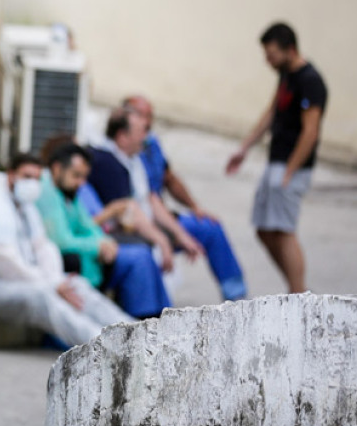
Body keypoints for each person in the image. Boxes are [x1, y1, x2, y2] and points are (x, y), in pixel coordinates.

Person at [0, 154, 133, 347]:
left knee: (75, 284)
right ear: (11, 175)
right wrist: (52, 285)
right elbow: (8, 267)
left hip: (15, 282)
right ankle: (106, 348)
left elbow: (43, 248)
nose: (32, 183)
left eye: (36, 179)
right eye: (26, 176)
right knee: (42, 297)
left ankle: (134, 333)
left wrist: (58, 281)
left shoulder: (26, 208)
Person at [226, 23, 327, 294]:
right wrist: (244, 148)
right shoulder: (286, 75)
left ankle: (298, 295)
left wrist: (290, 171)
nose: (267, 60)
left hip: (292, 168)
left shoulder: (310, 82)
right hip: (276, 163)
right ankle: (299, 289)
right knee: (264, 229)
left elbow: (311, 131)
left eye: (271, 54)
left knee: (283, 230)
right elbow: (272, 112)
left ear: (290, 50)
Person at [125, 96, 247, 301]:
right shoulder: (124, 149)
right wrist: (175, 234)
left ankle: (237, 300)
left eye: (149, 116)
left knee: (211, 228)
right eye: (139, 116)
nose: (145, 122)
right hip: (141, 222)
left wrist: (195, 207)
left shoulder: (151, 142)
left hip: (163, 216)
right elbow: (144, 201)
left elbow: (168, 179)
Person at [37, 143, 171, 319]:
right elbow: (60, 240)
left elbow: (87, 225)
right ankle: (143, 322)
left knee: (141, 254)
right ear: (56, 168)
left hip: (91, 258)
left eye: (83, 177)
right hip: (70, 262)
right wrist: (98, 246)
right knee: (137, 259)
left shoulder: (67, 190)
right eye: (76, 176)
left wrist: (105, 243)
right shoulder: (47, 192)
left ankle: (159, 318)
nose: (81, 183)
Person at [86, 108, 205, 274]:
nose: (146, 138)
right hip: (120, 232)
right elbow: (127, 213)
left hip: (144, 224)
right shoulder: (107, 163)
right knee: (144, 254)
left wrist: (181, 235)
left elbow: (150, 199)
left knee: (205, 227)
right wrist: (162, 240)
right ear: (122, 136)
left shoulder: (133, 158)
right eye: (141, 132)